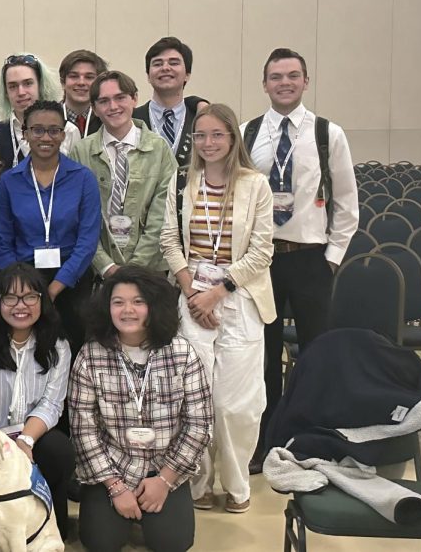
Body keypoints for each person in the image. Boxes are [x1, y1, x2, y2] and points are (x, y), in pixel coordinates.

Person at [242, 48, 359, 473]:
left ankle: (313, 439)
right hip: (262, 260)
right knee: (264, 356)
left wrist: (332, 258)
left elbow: (346, 202)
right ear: (265, 83)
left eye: (292, 76)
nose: (284, 83)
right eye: (276, 77)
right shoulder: (248, 132)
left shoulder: (328, 133)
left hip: (311, 259)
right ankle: (265, 439)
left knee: (315, 353)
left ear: (305, 81)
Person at [160, 104, 275, 514]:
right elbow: (170, 241)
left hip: (240, 299)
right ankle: (198, 485)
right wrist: (194, 293)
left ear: (232, 139)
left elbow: (262, 251)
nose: (208, 144)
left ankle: (238, 482)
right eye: (201, 136)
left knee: (234, 404)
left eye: (217, 135)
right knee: (195, 398)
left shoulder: (255, 184)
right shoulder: (181, 182)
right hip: (192, 299)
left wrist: (218, 291)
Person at [69, 266, 213, 552]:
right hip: (112, 468)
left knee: (173, 543)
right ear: (107, 308)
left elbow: (200, 424)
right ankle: (121, 507)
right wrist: (116, 487)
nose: (127, 311)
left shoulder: (182, 353)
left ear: (154, 306)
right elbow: (83, 429)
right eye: (118, 302)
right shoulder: (90, 355)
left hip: (164, 465)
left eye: (138, 302)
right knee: (100, 542)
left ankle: (152, 504)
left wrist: (164, 480)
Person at [0, 262, 74, 539]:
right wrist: (3, 443)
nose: (21, 305)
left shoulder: (58, 346)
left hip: (32, 436)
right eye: (10, 297)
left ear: (42, 300)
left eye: (30, 296)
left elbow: (52, 404)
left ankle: (46, 520)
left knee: (59, 451)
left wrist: (26, 440)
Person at [0, 100, 100, 358]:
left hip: (71, 281)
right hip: (22, 285)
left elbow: (87, 242)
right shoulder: (9, 182)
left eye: (54, 130)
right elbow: (0, 242)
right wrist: (24, 289)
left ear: (64, 133)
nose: (46, 137)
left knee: (72, 349)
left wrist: (54, 288)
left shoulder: (83, 179)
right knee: (26, 352)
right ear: (25, 133)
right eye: (37, 130)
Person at [70, 70, 176, 278]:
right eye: (104, 101)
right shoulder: (80, 152)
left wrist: (135, 267)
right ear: (94, 108)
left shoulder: (159, 149)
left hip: (149, 270)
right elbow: (77, 216)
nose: (113, 107)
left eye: (120, 98)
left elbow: (162, 215)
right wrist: (105, 266)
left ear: (135, 98)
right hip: (96, 271)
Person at [0, 53, 80, 171]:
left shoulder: (69, 131)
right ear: (6, 92)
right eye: (12, 86)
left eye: (28, 83)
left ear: (41, 85)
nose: (21, 92)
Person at [132, 37, 209, 167]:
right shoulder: (132, 120)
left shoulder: (200, 117)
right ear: (148, 76)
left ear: (187, 74)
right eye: (157, 64)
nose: (165, 68)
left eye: (174, 63)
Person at [59, 49, 108, 137]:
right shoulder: (48, 119)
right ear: (63, 82)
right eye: (74, 76)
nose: (81, 82)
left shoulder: (108, 120)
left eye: (89, 77)